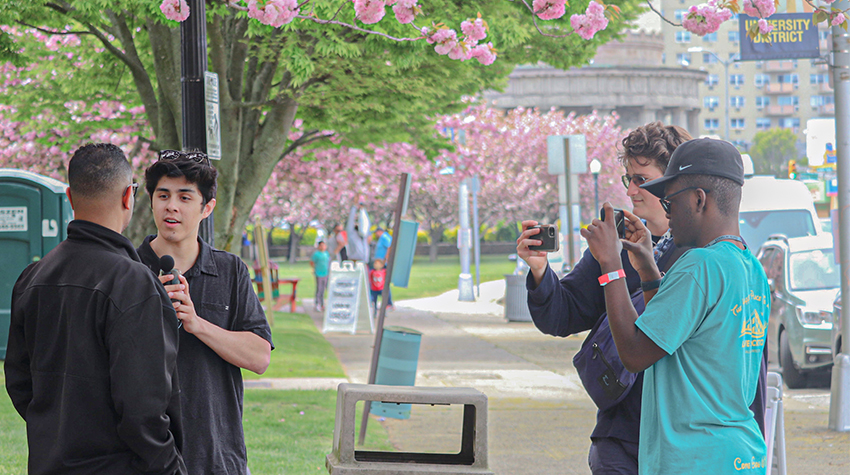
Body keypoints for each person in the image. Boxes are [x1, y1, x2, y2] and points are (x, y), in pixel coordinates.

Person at [583, 138, 768, 474]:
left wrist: (611, 264)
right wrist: (649, 273)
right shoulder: (749, 266)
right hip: (739, 455)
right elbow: (673, 338)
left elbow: (636, 354)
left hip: (694, 459)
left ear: (699, 200)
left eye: (670, 202)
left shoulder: (699, 265)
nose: (666, 214)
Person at [517, 123, 692, 474]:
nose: (630, 190)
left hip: (684, 434)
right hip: (622, 435)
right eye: (627, 178)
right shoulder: (616, 244)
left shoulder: (704, 254)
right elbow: (561, 314)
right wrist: (540, 271)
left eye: (641, 179)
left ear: (673, 182)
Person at [4, 143, 186, 474]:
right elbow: (143, 407)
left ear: (70, 198)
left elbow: (18, 381)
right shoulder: (134, 283)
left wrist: (57, 427)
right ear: (128, 196)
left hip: (50, 461)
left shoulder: (32, 277)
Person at [137, 150, 273, 475]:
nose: (172, 206)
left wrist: (197, 324)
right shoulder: (127, 270)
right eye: (163, 195)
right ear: (151, 201)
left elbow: (260, 357)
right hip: (142, 456)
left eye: (185, 197)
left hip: (217, 455)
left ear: (207, 208)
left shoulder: (230, 271)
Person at [372, 227, 394, 308]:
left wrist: (385, 259)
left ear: (380, 232)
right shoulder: (382, 238)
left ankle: (388, 302)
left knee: (383, 282)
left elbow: (389, 247)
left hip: (383, 264)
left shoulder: (384, 237)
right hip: (379, 264)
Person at [311, 240, 330, 311]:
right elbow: (312, 262)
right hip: (319, 274)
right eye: (321, 245)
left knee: (324, 289)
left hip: (326, 274)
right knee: (319, 289)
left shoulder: (326, 254)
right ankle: (317, 303)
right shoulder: (316, 254)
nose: (322, 247)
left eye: (324, 245)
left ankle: (322, 304)